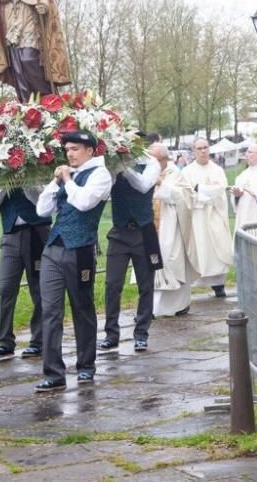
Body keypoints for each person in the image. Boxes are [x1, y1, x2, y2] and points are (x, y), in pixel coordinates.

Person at [34, 131, 112, 392]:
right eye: (67, 149)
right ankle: (54, 373)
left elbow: (84, 203)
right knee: (50, 311)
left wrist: (67, 179)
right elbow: (42, 210)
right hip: (53, 248)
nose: (70, 153)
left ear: (90, 150)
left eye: (76, 148)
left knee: (82, 308)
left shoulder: (100, 175)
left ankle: (86, 367)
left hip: (80, 249)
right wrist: (55, 182)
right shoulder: (67, 176)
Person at [99, 143, 167, 355]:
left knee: (146, 286)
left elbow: (144, 185)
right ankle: (111, 335)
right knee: (112, 284)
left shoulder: (151, 163)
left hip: (143, 230)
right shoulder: (112, 166)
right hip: (119, 231)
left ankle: (141, 335)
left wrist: (123, 167)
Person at [0, 187, 50, 360]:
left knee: (39, 290)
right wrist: (6, 183)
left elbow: (43, 200)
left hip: (37, 231)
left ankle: (39, 341)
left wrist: (25, 181)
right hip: (10, 235)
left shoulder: (36, 170)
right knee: (6, 289)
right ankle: (5, 341)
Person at [179, 137, 233, 298]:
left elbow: (221, 189)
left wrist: (200, 190)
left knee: (217, 249)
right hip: (197, 216)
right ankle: (194, 283)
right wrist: (202, 194)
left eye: (205, 147)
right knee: (200, 249)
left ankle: (219, 285)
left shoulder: (217, 170)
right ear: (194, 151)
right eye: (199, 148)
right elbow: (186, 193)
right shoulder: (187, 171)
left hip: (214, 214)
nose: (203, 151)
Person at [152, 146, 193, 317]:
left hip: (171, 227)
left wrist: (161, 184)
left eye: (153, 159)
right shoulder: (148, 172)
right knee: (152, 265)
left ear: (163, 159)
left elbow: (186, 198)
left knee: (171, 263)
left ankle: (178, 305)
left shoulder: (175, 173)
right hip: (152, 226)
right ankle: (152, 308)